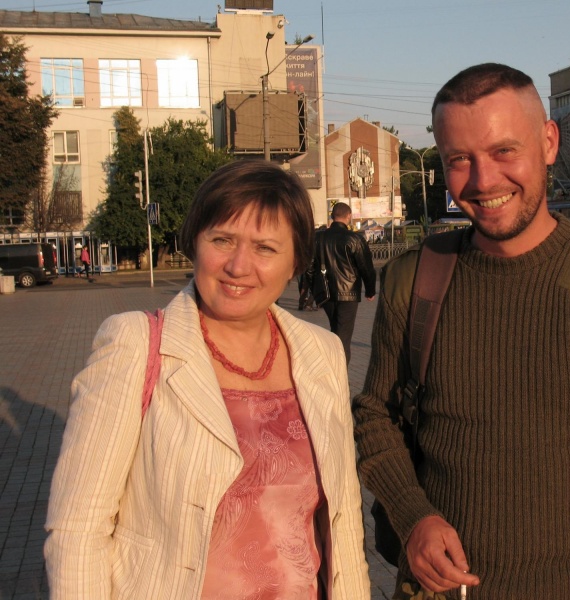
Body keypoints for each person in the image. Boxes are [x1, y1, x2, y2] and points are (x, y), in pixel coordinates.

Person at [353, 63, 570, 599]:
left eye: (503, 151)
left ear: (548, 142)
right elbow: (374, 416)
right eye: (458, 159)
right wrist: (412, 516)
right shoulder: (415, 277)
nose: (483, 181)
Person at [44, 161, 370, 599]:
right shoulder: (135, 345)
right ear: (195, 243)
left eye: (265, 248)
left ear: (295, 263)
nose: (238, 266)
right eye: (222, 240)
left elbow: (344, 518)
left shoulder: (322, 353)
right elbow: (78, 530)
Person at [307, 201, 376, 364]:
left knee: (336, 331)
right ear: (349, 216)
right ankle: (340, 372)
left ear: (332, 216)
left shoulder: (318, 238)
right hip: (349, 294)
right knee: (343, 337)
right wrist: (370, 290)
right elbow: (366, 267)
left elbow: (308, 267)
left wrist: (315, 289)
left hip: (326, 293)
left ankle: (333, 367)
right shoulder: (355, 239)